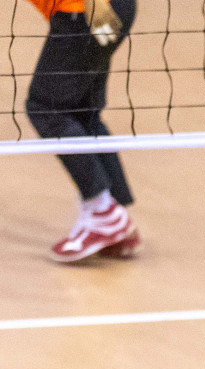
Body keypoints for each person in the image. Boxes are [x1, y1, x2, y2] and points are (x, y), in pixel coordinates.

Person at [25, 0, 141, 262]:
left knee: (46, 108)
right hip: (108, 9)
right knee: (81, 110)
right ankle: (112, 213)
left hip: (86, 12)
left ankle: (105, 214)